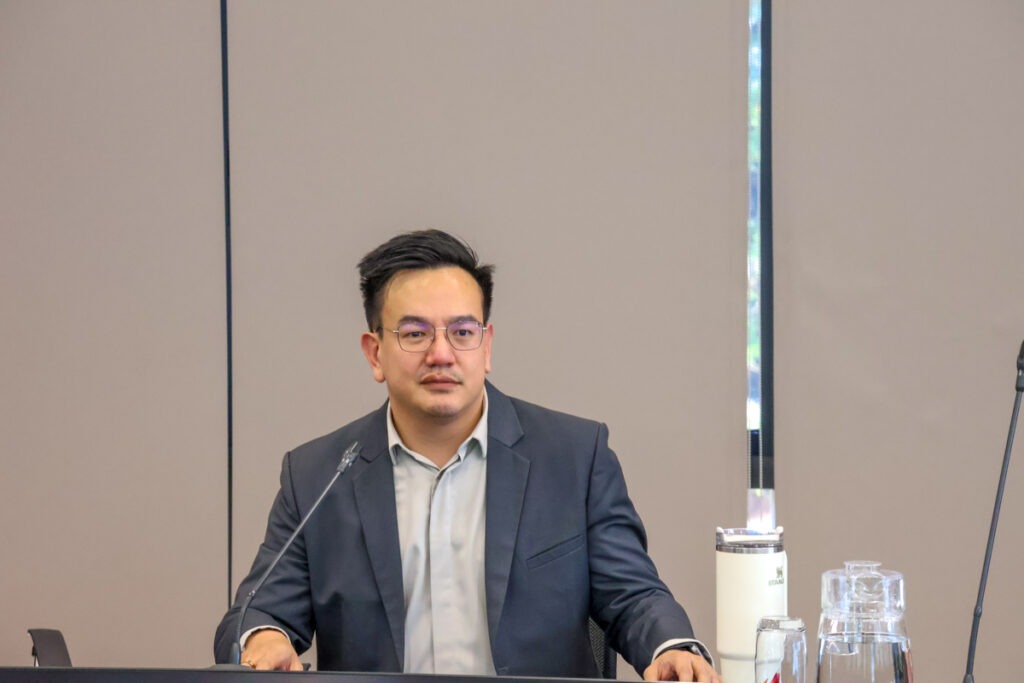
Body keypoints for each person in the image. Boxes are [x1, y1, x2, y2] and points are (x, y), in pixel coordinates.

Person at [214, 229, 721, 682]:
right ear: (375, 353)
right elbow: (255, 614)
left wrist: (671, 647)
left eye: (462, 332)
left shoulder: (573, 457)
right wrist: (264, 637)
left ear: (486, 345)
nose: (441, 354)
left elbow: (634, 595)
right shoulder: (318, 475)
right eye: (415, 334)